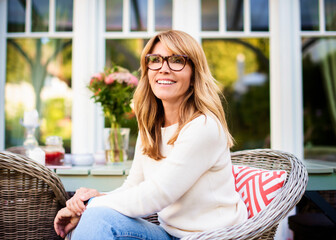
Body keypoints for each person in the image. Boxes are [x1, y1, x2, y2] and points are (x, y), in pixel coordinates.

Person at [54, 30, 248, 239]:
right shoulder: (151, 125)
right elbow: (134, 187)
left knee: (95, 216)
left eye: (177, 60)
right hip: (169, 234)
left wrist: (89, 206)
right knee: (95, 217)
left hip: (212, 236)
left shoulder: (204, 126)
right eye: (155, 60)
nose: (164, 69)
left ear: (194, 74)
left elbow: (157, 195)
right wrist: (92, 201)